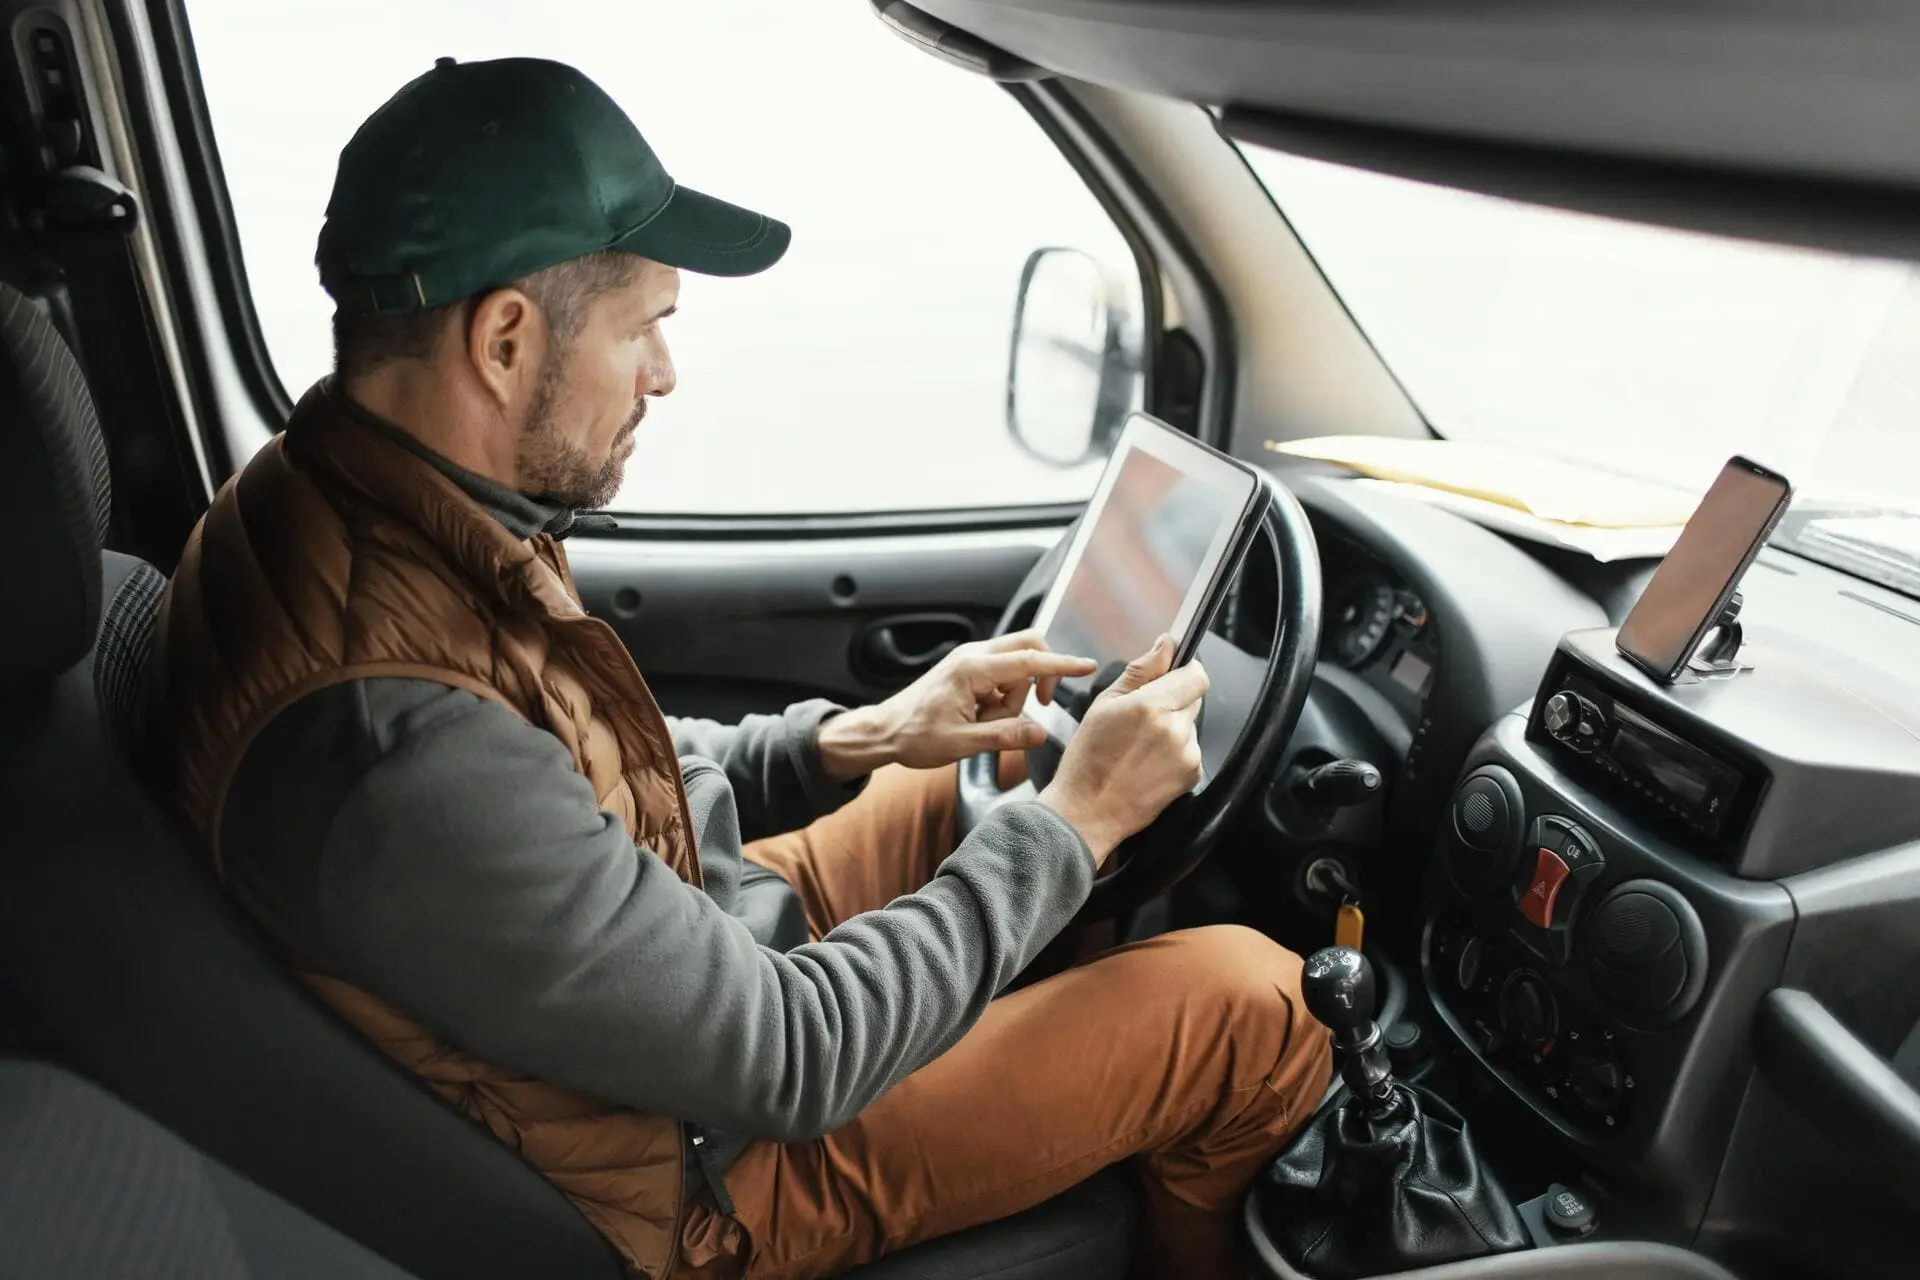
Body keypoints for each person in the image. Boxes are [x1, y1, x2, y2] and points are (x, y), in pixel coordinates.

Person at [143, 56, 1330, 1280]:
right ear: (503, 339)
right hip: (696, 1167)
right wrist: (1075, 828)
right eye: (645, 326)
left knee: (1006, 756)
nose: (664, 375)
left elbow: (565, 775)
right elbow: (790, 1054)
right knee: (1254, 1004)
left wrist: (851, 740)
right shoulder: (391, 737)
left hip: (672, 989)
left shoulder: (354, 497)